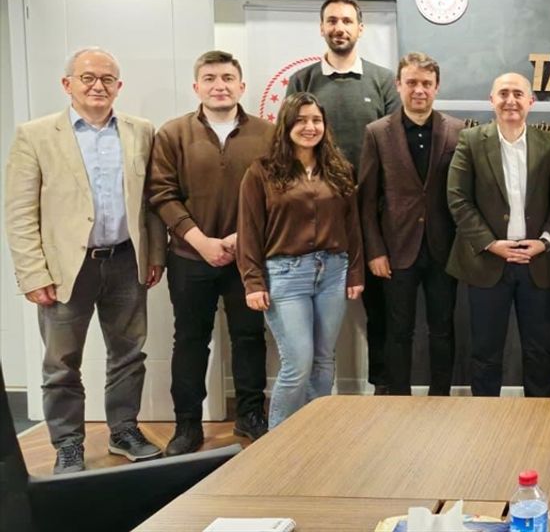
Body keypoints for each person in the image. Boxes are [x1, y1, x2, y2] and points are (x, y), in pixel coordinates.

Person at [4, 47, 166, 473]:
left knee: (129, 355)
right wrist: (32, 273)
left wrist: (155, 254)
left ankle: (124, 430)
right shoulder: (36, 135)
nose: (98, 86)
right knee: (61, 364)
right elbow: (20, 212)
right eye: (88, 77)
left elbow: (151, 202)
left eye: (107, 79)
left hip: (127, 261)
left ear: (119, 86)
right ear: (67, 84)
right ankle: (68, 444)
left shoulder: (141, 131)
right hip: (65, 270)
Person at [148, 51, 273, 455]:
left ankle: (250, 414)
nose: (219, 85)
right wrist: (200, 241)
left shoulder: (267, 134)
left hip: (247, 257)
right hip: (189, 257)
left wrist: (240, 239)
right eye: (210, 78)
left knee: (249, 337)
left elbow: (275, 193)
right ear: (196, 86)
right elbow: (162, 194)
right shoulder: (172, 134)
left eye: (227, 78)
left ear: (241, 85)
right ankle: (187, 424)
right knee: (190, 339)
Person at [286, 0, 399, 394]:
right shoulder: (302, 81)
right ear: (322, 27)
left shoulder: (382, 80)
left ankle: (384, 390)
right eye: (332, 20)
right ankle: (317, 400)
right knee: (316, 317)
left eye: (347, 21)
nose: (339, 28)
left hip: (373, 216)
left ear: (360, 29)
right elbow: (289, 142)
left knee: (382, 312)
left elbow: (394, 147)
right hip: (316, 216)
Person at [237, 93, 364, 429]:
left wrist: (355, 272)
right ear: (286, 125)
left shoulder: (339, 170)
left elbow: (352, 227)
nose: (310, 127)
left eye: (316, 120)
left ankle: (314, 434)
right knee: (298, 362)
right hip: (285, 275)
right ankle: (279, 437)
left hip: (333, 272)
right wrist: (252, 282)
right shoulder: (262, 171)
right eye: (301, 120)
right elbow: (248, 230)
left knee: (323, 360)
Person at [446, 73, 550, 397]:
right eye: (503, 93)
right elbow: (457, 198)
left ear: (531, 102)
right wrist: (490, 243)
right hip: (487, 263)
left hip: (536, 263)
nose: (511, 100)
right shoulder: (471, 140)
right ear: (492, 100)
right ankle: (487, 419)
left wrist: (544, 242)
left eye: (518, 94)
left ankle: (539, 414)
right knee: (485, 353)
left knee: (539, 351)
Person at [358, 53, 464, 396]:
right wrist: (375, 251)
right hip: (395, 251)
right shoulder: (377, 132)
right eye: (412, 83)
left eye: (426, 84)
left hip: (443, 249)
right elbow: (367, 200)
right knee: (398, 331)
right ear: (398, 85)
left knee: (443, 330)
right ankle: (399, 399)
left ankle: (440, 397)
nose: (419, 90)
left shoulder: (458, 130)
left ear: (437, 87)